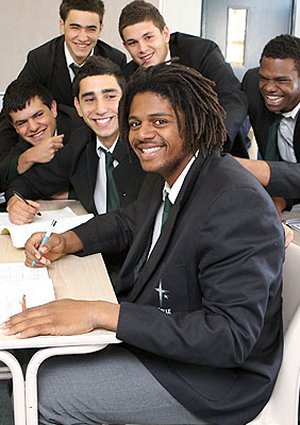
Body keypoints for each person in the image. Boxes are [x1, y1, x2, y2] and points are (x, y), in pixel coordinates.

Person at [2, 63, 285, 425]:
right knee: (31, 362)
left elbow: (228, 338)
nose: (142, 135)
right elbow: (129, 222)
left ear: (194, 121)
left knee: (44, 390)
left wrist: (100, 312)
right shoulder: (169, 173)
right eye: (135, 124)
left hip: (214, 381)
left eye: (159, 121)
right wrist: (67, 240)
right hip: (165, 340)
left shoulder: (234, 201)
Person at [5, 57, 146, 225]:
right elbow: (27, 183)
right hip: (97, 246)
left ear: (126, 100)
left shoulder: (146, 144)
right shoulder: (80, 142)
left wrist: (71, 241)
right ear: (78, 106)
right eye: (89, 99)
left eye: (109, 96)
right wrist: (15, 202)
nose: (100, 109)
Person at [0, 0, 126, 165]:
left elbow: (123, 111)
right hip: (57, 146)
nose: (83, 37)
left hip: (98, 144)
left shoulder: (115, 59)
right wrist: (6, 165)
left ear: (101, 29)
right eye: (75, 27)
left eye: (91, 29)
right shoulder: (41, 59)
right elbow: (14, 109)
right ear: (62, 25)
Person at [118, 0, 248, 154]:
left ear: (165, 34)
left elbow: (233, 99)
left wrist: (210, 144)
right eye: (133, 43)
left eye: (148, 37)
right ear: (125, 46)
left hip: (213, 148)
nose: (142, 49)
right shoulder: (127, 77)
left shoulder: (201, 52)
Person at [237, 34, 300, 217]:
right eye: (264, 78)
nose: (269, 88)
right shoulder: (251, 83)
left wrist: (252, 168)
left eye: (281, 81)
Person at [0, 79, 82, 191]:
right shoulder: (25, 140)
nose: (33, 127)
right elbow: (3, 176)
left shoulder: (80, 128)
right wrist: (27, 158)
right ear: (15, 127)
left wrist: (65, 194)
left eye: (38, 115)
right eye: (22, 122)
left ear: (53, 109)